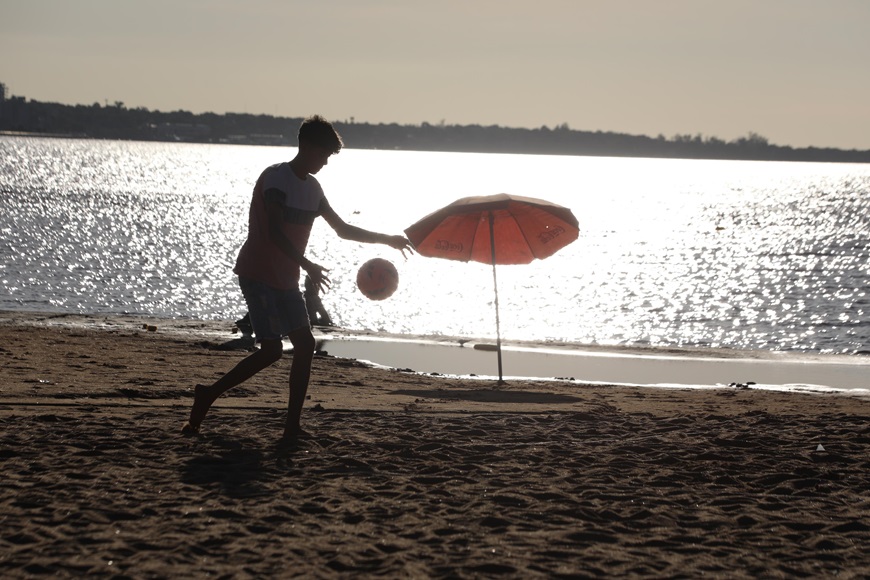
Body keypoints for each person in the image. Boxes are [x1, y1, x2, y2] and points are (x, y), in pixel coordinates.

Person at [182, 115, 413, 446]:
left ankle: (291, 426)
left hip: (286, 280)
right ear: (306, 146)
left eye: (328, 157)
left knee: (305, 345)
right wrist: (308, 264)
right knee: (272, 350)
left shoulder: (313, 189)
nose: (324, 162)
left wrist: (387, 239)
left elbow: (343, 229)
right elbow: (275, 232)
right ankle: (208, 394)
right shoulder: (276, 179)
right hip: (258, 273)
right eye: (323, 155)